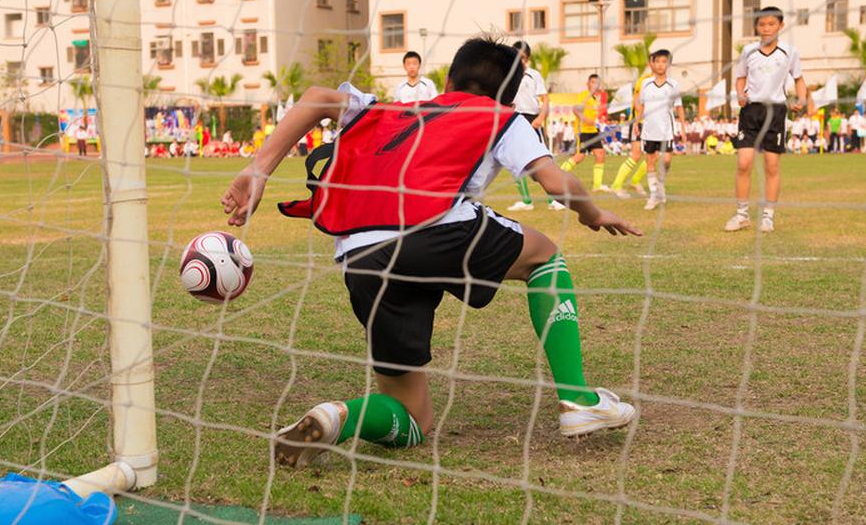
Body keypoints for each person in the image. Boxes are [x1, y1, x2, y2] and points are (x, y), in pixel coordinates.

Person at [220, 37, 639, 467]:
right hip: (435, 231)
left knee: (413, 418)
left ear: (448, 79)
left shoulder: (390, 109)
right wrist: (593, 214)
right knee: (544, 256)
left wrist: (258, 169)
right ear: (509, 97)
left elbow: (317, 98)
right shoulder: (501, 117)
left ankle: (338, 417)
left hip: (360, 252)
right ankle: (577, 399)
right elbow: (556, 183)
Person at [725, 7, 807, 233]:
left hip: (776, 112)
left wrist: (801, 98)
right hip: (751, 112)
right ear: (757, 27)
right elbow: (740, 78)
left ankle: (768, 216)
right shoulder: (748, 51)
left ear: (780, 26)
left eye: (771, 24)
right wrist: (740, 95)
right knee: (744, 163)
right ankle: (742, 215)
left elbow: (799, 79)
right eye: (762, 24)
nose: (766, 28)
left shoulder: (790, 52)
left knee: (772, 165)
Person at [615, 49, 684, 210]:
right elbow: (642, 107)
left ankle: (660, 186)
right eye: (657, 61)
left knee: (666, 160)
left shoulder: (674, 84)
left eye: (664, 61)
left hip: (666, 129)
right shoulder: (645, 83)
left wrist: (683, 127)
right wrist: (637, 124)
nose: (661, 65)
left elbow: (679, 107)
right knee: (650, 161)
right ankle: (654, 195)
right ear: (653, 64)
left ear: (668, 64)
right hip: (649, 129)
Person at [506, 41, 563, 212]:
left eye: (522, 58)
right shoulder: (507, 75)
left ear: (528, 59)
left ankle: (554, 200)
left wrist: (541, 117)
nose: (520, 62)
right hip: (514, 119)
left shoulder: (534, 75)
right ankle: (526, 201)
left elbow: (545, 99)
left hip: (532, 119)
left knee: (543, 160)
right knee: (514, 161)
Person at [559, 74, 610, 191]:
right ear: (587, 84)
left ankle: (597, 186)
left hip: (593, 131)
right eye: (592, 82)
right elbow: (575, 109)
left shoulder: (594, 99)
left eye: (597, 83)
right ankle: (558, 176)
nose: (594, 85)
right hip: (584, 131)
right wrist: (585, 119)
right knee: (580, 156)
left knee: (600, 155)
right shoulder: (584, 95)